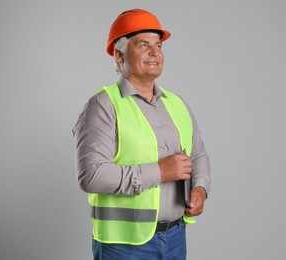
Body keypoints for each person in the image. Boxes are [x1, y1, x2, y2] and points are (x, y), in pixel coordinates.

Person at [73, 8, 211, 260]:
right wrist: (160, 171)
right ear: (118, 54)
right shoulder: (103, 106)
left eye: (158, 45)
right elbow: (91, 175)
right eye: (143, 44)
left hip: (175, 237)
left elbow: (198, 153)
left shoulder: (177, 104)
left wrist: (200, 188)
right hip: (123, 246)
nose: (155, 52)